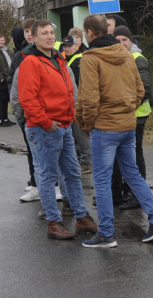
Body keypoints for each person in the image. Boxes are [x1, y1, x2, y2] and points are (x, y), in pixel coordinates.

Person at [77, 15, 153, 248]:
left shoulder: (90, 58)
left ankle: (106, 233)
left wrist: (87, 125)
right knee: (132, 174)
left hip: (104, 127)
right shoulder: (125, 54)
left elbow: (88, 98)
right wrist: (127, 110)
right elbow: (139, 90)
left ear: (89, 33)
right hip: (127, 125)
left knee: (102, 181)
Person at [16, 19, 98, 241]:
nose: (50, 37)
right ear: (34, 37)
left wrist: (69, 118)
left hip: (64, 125)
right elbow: (27, 99)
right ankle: (53, 222)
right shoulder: (30, 62)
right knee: (47, 175)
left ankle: (81, 217)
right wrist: (46, 122)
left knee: (72, 172)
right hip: (45, 129)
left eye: (52, 32)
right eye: (44, 33)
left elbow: (68, 90)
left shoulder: (58, 58)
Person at [112, 26, 151, 209]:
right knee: (125, 157)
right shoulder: (116, 59)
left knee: (136, 155)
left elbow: (145, 90)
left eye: (124, 40)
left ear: (130, 41)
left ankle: (137, 195)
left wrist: (128, 107)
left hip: (137, 115)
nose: (121, 44)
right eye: (117, 40)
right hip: (123, 116)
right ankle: (127, 191)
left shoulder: (137, 59)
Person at [10, 22, 41, 201]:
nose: (29, 35)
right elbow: (13, 86)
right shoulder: (19, 56)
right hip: (27, 115)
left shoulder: (53, 56)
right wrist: (19, 114)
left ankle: (52, 186)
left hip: (46, 116)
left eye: (32, 31)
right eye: (27, 32)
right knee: (32, 151)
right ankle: (35, 183)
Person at [60, 35, 91, 173]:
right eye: (65, 46)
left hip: (78, 102)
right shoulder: (68, 60)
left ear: (76, 46)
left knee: (80, 134)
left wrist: (78, 103)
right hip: (72, 102)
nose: (67, 49)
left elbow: (78, 84)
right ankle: (82, 160)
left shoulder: (79, 60)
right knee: (76, 135)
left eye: (69, 46)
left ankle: (86, 162)